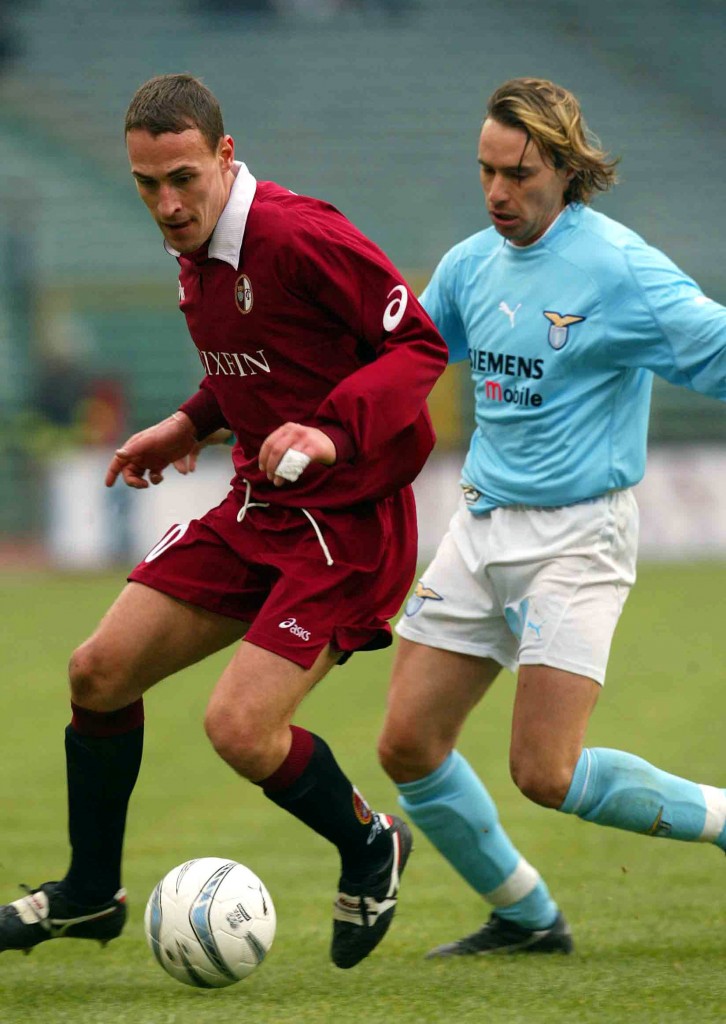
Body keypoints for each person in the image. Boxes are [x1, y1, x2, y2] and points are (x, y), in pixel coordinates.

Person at [0, 73, 448, 970]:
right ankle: (91, 895)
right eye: (147, 185)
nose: (167, 205)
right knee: (98, 673)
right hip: (256, 506)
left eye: (183, 179)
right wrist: (186, 423)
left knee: (239, 729)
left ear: (225, 157)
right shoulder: (196, 245)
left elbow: (418, 347)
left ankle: (371, 844)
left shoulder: (297, 234)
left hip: (347, 526)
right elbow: (266, 361)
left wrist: (329, 433)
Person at [378, 76, 726, 958]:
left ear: (566, 170)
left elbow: (715, 346)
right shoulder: (467, 265)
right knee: (408, 745)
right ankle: (527, 918)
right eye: (486, 171)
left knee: (546, 772)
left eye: (520, 174)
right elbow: (399, 368)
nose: (498, 192)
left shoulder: (618, 266)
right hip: (483, 526)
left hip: (578, 537)